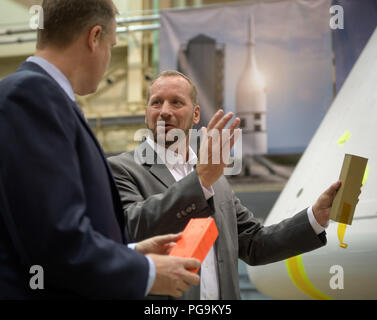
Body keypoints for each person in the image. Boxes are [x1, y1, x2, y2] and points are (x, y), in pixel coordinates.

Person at [0, 1, 200, 299]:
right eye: (111, 44)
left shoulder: (46, 99)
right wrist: (146, 271)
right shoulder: (32, 96)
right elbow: (56, 243)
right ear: (94, 38)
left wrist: (131, 252)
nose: (109, 57)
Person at [108, 70, 342, 300]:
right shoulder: (122, 169)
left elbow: (255, 243)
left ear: (196, 114)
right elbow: (131, 227)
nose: (164, 111)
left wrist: (315, 217)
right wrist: (199, 182)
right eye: (156, 103)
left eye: (176, 102)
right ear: (147, 111)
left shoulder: (215, 178)